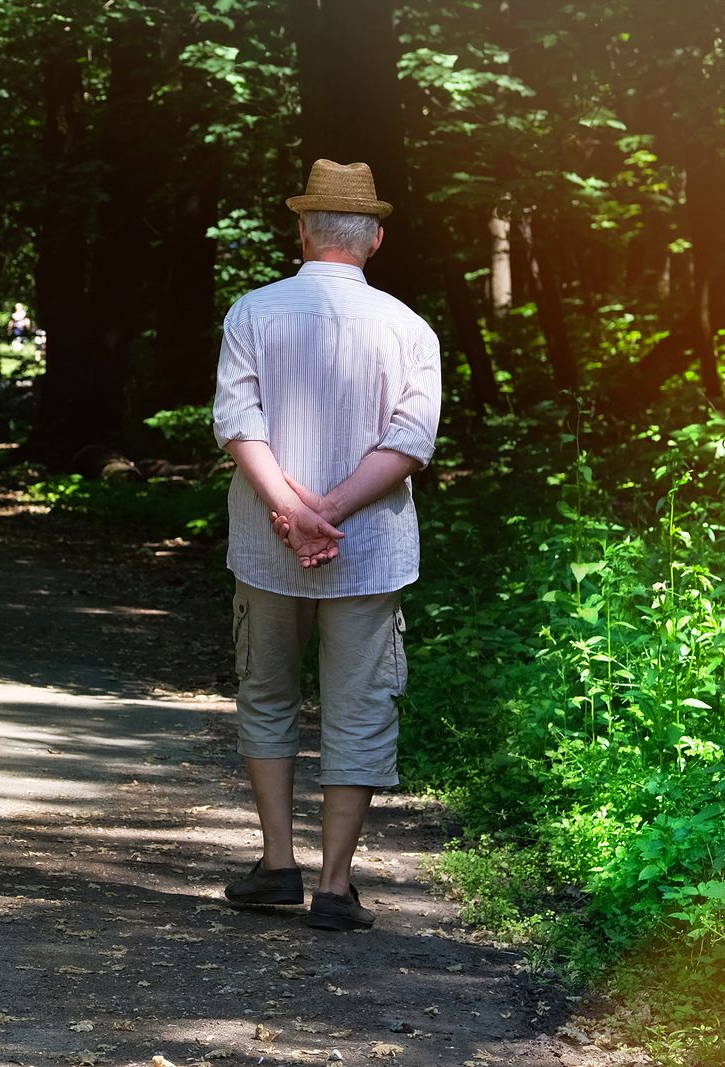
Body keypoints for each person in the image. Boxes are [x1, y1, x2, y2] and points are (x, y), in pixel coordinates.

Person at [211, 159, 442, 932]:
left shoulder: (253, 312)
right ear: (374, 238)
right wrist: (334, 509)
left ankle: (278, 862)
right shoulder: (411, 328)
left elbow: (238, 422)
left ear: (303, 229)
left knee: (268, 693)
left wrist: (290, 510)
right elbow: (410, 440)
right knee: (359, 706)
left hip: (268, 543)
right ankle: (336, 885)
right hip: (369, 545)